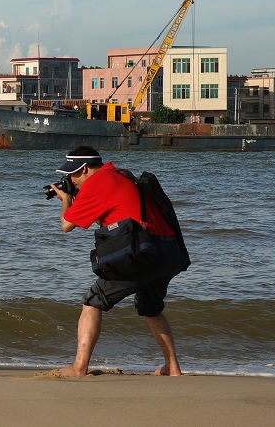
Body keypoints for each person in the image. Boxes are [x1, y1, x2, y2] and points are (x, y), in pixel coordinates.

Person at [49, 146, 188, 377]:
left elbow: (66, 225)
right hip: (169, 251)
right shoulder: (121, 174)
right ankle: (172, 367)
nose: (71, 181)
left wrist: (65, 200)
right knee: (150, 307)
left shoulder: (96, 183)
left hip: (144, 253)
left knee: (93, 301)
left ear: (83, 169)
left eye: (72, 175)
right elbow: (115, 218)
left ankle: (78, 367)